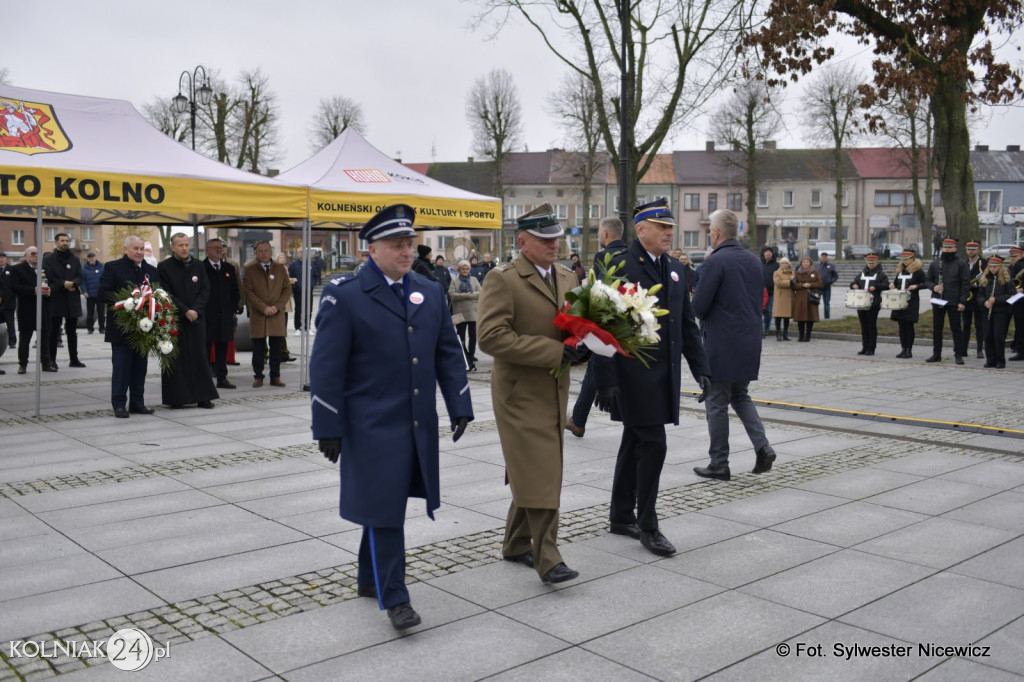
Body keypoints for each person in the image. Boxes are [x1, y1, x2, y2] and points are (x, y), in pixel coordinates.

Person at [311, 204, 473, 631]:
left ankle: (369, 578)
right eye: (397, 245)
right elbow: (326, 368)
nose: (407, 251)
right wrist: (328, 425)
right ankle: (395, 597)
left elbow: (447, 350)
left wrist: (459, 402)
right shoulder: (344, 294)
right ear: (372, 249)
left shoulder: (428, 289)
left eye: (409, 243)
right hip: (369, 425)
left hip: (416, 421)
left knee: (386, 502)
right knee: (386, 509)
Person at [478, 203, 589, 583]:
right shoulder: (503, 279)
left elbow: (572, 323)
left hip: (554, 388)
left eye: (556, 237)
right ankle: (548, 558)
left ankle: (515, 543)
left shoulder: (566, 275)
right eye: (544, 239)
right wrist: (557, 351)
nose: (554, 244)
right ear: (523, 241)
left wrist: (588, 341)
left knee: (536, 466)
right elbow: (491, 337)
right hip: (519, 393)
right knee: (544, 467)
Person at [593, 198, 709, 557]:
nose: (668, 233)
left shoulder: (675, 268)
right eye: (662, 227)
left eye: (670, 227)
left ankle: (620, 514)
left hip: (665, 375)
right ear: (640, 229)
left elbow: (686, 323)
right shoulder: (619, 264)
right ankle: (648, 525)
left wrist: (702, 369)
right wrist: (605, 378)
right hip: (632, 374)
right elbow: (601, 323)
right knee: (653, 444)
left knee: (635, 442)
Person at [691, 209, 776, 481]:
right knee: (740, 396)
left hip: (721, 343)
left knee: (716, 401)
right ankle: (763, 447)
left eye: (709, 232)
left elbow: (700, 307)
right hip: (750, 340)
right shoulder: (753, 261)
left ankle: (719, 463)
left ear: (715, 232)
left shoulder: (716, 261)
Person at [566, 216, 627, 438]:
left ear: (604, 234)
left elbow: (599, 291)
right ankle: (578, 419)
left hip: (606, 323)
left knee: (597, 368)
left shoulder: (604, 256)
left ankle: (580, 420)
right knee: (597, 370)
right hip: (627, 323)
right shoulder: (630, 255)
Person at [99, 236, 159, 417]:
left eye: (142, 248)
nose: (139, 252)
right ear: (125, 249)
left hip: (143, 329)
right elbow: (103, 294)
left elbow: (157, 294)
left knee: (140, 369)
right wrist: (129, 302)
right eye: (135, 248)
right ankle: (119, 404)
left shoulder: (151, 271)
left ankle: (137, 403)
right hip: (121, 329)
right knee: (121, 369)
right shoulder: (113, 267)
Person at [157, 233, 219, 409]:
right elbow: (165, 293)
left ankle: (203, 396)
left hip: (197, 320)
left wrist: (196, 311)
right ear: (173, 247)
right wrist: (185, 311)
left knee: (199, 357)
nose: (184, 248)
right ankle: (177, 397)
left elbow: (205, 289)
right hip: (175, 319)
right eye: (180, 245)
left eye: (186, 244)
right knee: (176, 358)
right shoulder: (164, 267)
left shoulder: (198, 265)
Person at [243, 241, 292, 388]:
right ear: (256, 253)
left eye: (266, 250)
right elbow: (248, 292)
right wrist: (263, 307)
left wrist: (277, 307)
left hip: (276, 314)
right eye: (261, 251)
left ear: (271, 252)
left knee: (276, 347)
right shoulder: (250, 270)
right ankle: (258, 376)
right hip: (259, 314)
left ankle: (275, 376)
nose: (264, 253)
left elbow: (287, 290)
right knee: (258, 348)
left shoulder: (280, 269)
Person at [924, 238, 971, 364]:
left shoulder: (961, 263)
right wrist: (934, 287)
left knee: (956, 328)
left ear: (955, 248)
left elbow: (965, 284)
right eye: (945, 247)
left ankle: (958, 355)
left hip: (954, 300)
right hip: (938, 299)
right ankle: (936, 354)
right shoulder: (935, 263)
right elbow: (927, 280)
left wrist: (962, 301)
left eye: (950, 248)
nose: (947, 250)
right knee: (937, 328)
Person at [42, 233, 85, 368]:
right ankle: (52, 360)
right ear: (56, 243)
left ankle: (74, 359)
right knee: (54, 331)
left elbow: (80, 275)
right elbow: (48, 276)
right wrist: (63, 283)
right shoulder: (48, 259)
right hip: (56, 297)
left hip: (72, 297)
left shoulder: (74, 259)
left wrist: (73, 283)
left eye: (67, 240)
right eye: (62, 240)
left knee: (72, 330)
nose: (65, 243)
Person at [10, 247, 55, 374]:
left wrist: (50, 290)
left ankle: (46, 363)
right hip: (27, 308)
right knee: (25, 337)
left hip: (43, 307)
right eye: (32, 254)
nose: (35, 256)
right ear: (26, 256)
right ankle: (22, 364)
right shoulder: (17, 269)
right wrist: (33, 290)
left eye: (37, 254)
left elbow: (53, 283)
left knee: (44, 337)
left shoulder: (45, 268)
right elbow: (15, 287)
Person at [204, 238, 241, 389]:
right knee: (205, 348)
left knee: (222, 348)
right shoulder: (201, 267)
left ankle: (222, 378)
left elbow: (235, 291)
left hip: (225, 316)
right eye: (216, 248)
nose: (219, 250)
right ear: (207, 250)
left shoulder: (228, 268)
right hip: (207, 316)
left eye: (221, 248)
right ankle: (205, 379)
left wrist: (232, 309)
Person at [978, 256, 1015, 368]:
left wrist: (997, 300)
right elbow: (979, 295)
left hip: (1001, 311)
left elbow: (1011, 295)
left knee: (998, 336)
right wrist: (984, 302)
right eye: (991, 267)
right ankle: (990, 360)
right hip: (987, 311)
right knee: (988, 336)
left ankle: (1000, 360)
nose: (993, 269)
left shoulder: (1006, 278)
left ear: (1000, 267)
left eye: (995, 267)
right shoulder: (985, 278)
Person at [850, 253, 890, 356]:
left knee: (871, 325)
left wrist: (876, 287)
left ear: (876, 262)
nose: (870, 265)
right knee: (864, 326)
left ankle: (871, 348)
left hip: (873, 303)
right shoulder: (862, 273)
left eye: (872, 263)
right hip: (861, 303)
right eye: (869, 263)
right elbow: (854, 282)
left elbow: (886, 285)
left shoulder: (881, 274)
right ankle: (864, 347)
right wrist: (853, 285)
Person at [889, 249, 926, 358]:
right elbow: (896, 283)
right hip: (899, 301)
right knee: (901, 326)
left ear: (912, 259)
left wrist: (916, 286)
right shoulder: (900, 271)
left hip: (911, 302)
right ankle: (903, 348)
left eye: (907, 259)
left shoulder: (918, 271)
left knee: (909, 325)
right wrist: (892, 285)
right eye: (903, 259)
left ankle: (909, 350)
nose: (905, 261)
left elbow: (926, 282)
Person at [449, 259, 481, 371]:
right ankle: (464, 358)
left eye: (467, 269)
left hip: (473, 313)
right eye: (463, 269)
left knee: (473, 338)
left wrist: (465, 295)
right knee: (460, 338)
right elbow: (452, 294)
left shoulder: (474, 280)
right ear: (459, 269)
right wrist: (467, 295)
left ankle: (471, 359)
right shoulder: (455, 281)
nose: (465, 271)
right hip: (460, 313)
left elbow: (480, 293)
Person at [962, 241, 988, 359]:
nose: (970, 251)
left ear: (978, 250)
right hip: (967, 297)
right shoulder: (963, 263)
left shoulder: (984, 263)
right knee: (966, 324)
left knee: (979, 325)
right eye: (968, 249)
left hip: (978, 296)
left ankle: (979, 350)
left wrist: (978, 284)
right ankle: (963, 349)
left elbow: (988, 279)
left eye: (973, 249)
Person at [791, 256, 822, 342]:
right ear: (801, 263)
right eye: (804, 262)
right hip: (800, 298)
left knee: (810, 317)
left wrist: (810, 285)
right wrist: (802, 285)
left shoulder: (815, 272)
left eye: (807, 262)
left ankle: (808, 336)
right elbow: (793, 284)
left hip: (811, 297)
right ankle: (801, 336)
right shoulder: (797, 273)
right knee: (800, 317)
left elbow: (819, 283)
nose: (805, 264)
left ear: (810, 263)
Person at [81, 252, 105, 335]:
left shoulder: (102, 267)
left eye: (92, 257)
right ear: (87, 259)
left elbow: (104, 280)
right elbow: (82, 281)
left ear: (95, 257)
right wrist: (84, 291)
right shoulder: (84, 269)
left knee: (101, 312)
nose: (91, 259)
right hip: (90, 294)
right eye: (89, 257)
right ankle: (90, 328)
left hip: (100, 294)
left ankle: (102, 328)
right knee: (90, 312)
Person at [772, 257, 794, 341]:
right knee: (778, 316)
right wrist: (790, 282)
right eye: (782, 263)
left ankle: (785, 333)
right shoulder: (776, 273)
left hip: (789, 296)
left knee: (786, 317)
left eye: (785, 263)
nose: (784, 265)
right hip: (780, 297)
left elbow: (794, 281)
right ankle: (778, 333)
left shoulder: (791, 273)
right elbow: (778, 283)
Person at [814, 251, 839, 319]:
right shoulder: (816, 266)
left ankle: (827, 317)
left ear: (827, 258)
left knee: (827, 303)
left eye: (825, 257)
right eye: (823, 257)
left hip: (827, 288)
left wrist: (831, 281)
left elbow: (835, 276)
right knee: (815, 302)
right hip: (818, 288)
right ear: (820, 258)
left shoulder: (831, 266)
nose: (824, 258)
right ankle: (815, 317)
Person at [1010, 246, 1024, 361]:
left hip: (1021, 298)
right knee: (1019, 326)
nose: (1013, 259)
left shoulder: (1021, 267)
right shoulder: (1011, 267)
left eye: (1016, 256)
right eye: (1012, 257)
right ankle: (1019, 349)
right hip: (1014, 300)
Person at [761, 246, 779, 336]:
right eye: (766, 251)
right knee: (760, 310)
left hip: (771, 292)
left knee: (768, 311)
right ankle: (760, 329)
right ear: (763, 253)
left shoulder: (776, 265)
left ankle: (767, 328)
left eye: (770, 252)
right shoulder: (759, 263)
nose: (768, 253)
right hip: (760, 291)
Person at [0, 253, 16, 349]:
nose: (1, 260)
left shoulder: (11, 270)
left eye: (2, 258)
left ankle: (12, 341)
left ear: (6, 259)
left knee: (10, 322)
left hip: (9, 301)